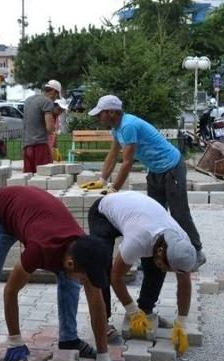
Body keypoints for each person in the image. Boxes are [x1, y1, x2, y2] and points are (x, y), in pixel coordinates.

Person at [0, 185, 120, 361]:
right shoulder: (40, 248)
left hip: (31, 214)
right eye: (85, 278)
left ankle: (69, 340)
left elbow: (96, 301)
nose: (86, 282)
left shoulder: (84, 251)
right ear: (70, 263)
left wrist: (103, 355)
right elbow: (10, 290)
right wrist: (15, 340)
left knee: (70, 281)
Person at [84, 95, 206, 269]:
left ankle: (197, 251)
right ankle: (153, 258)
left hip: (171, 167)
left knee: (179, 212)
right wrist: (102, 179)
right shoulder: (117, 129)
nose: (97, 117)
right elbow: (113, 154)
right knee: (152, 215)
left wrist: (114, 189)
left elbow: (127, 162)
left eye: (100, 113)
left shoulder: (128, 125)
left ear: (112, 112)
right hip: (155, 170)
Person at [88, 191, 198, 350]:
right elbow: (115, 278)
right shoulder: (137, 240)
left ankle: (146, 311)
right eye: (167, 267)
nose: (168, 271)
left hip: (137, 215)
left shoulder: (182, 245)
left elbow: (185, 284)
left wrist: (181, 322)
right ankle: (102, 322)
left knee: (157, 268)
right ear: (160, 250)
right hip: (104, 212)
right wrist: (132, 311)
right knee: (102, 264)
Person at [21, 80, 63, 173]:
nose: (55, 99)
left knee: (29, 177)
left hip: (27, 145)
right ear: (53, 92)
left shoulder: (28, 100)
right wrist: (54, 129)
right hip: (40, 146)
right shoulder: (47, 102)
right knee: (43, 176)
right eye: (56, 96)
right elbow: (49, 128)